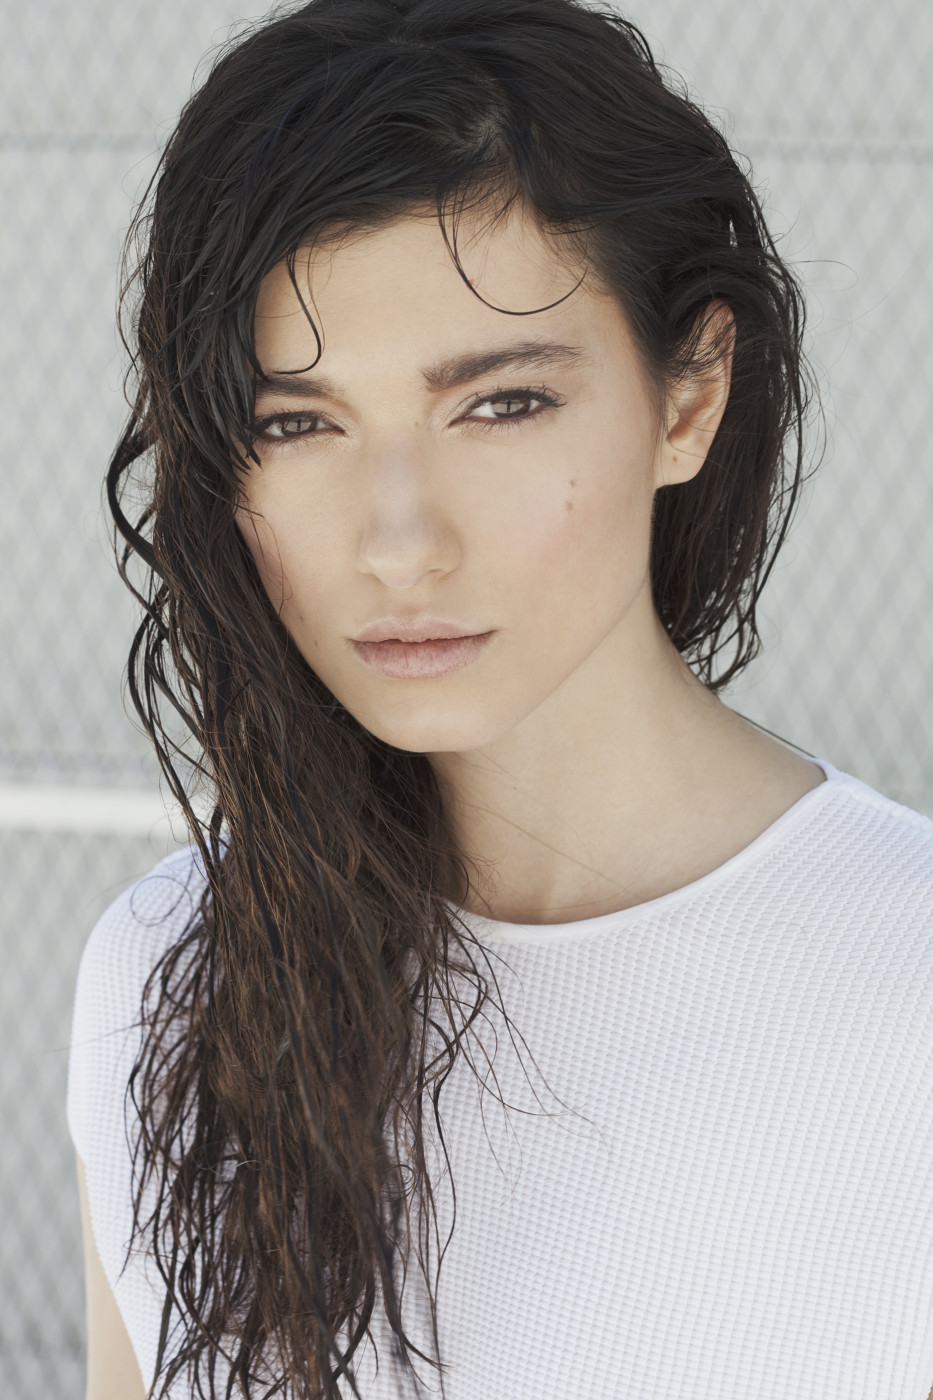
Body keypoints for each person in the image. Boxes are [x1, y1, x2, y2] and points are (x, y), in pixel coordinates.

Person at [66, 0, 933, 1397]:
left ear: (688, 396)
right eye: (297, 423)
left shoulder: (907, 985)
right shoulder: (172, 970)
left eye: (502, 403)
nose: (400, 543)